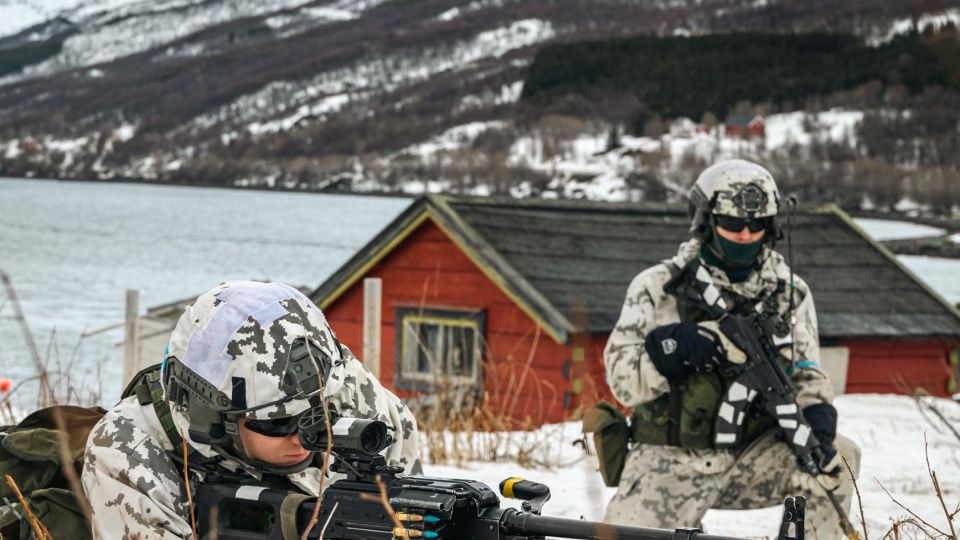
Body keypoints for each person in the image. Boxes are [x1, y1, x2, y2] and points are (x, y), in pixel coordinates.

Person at [602, 159, 861, 538]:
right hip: (670, 459)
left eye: (756, 225)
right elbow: (622, 382)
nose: (744, 234)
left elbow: (806, 373)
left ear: (770, 227)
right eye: (733, 223)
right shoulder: (659, 287)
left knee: (838, 459)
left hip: (754, 454)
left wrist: (819, 420)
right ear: (706, 222)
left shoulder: (788, 292)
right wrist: (672, 354)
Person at [82, 280, 422, 539]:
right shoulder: (130, 450)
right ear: (214, 419)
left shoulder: (360, 403)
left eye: (320, 415)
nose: (304, 439)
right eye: (278, 424)